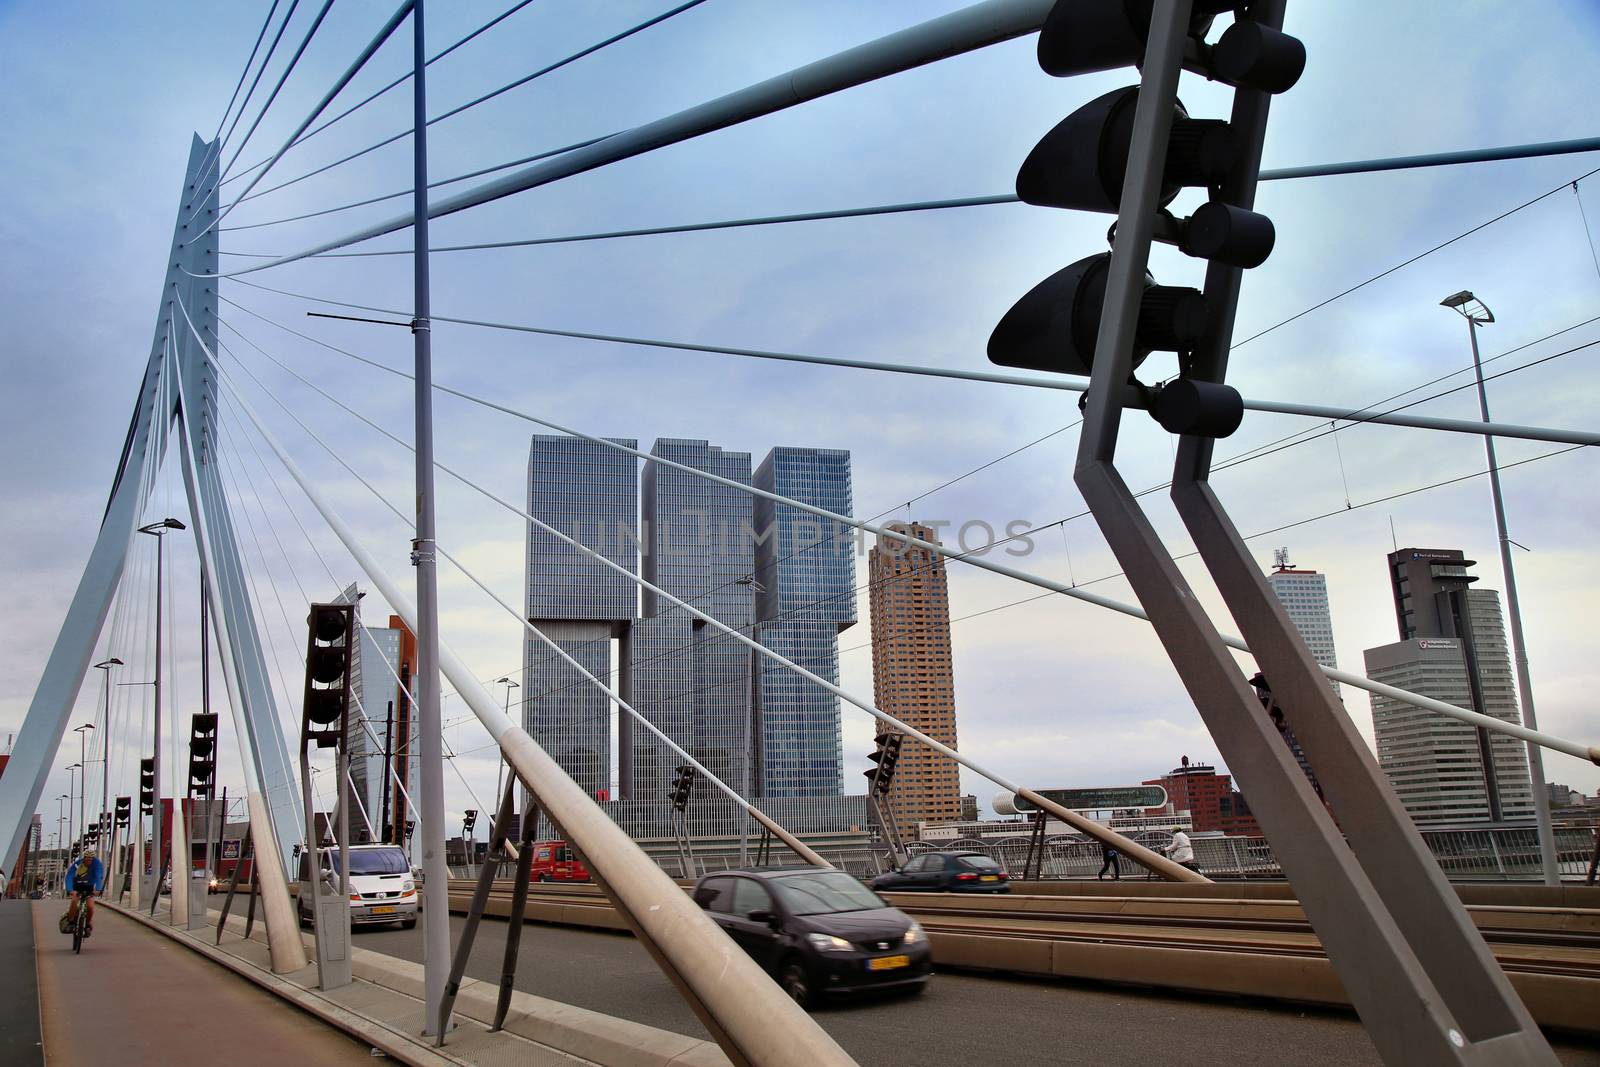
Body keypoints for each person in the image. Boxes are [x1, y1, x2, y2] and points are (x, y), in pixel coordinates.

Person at [61, 848, 105, 937]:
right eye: (87, 858)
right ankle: (71, 921)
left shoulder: (97, 864)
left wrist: (98, 889)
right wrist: (70, 890)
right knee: (74, 901)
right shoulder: (78, 864)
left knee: (90, 906)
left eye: (91, 858)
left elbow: (98, 876)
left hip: (89, 887)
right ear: (84, 858)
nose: (89, 860)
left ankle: (88, 924)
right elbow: (69, 876)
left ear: (93, 859)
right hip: (77, 886)